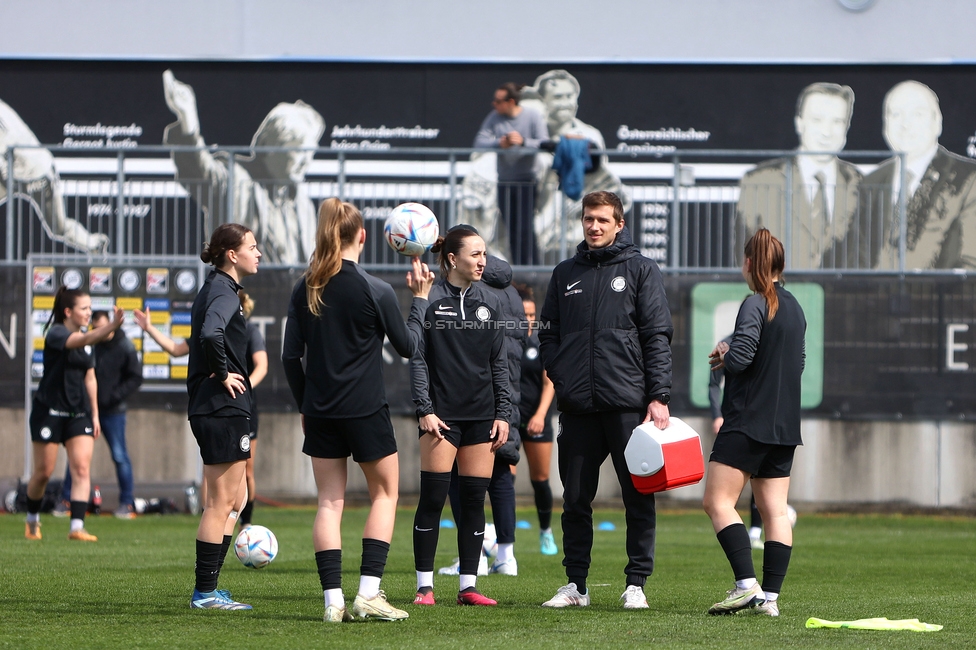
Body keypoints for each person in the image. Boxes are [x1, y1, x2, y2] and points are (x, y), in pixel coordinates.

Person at [282, 198, 434, 622]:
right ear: (364, 236)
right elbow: (409, 347)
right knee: (385, 494)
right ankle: (368, 594)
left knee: (329, 504)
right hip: (365, 410)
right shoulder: (376, 288)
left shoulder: (305, 286)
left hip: (321, 412)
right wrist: (419, 299)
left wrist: (305, 405)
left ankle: (333, 601)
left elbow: (289, 358)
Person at [538, 190, 673, 610]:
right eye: (588, 219)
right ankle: (576, 586)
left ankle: (636, 584)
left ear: (619, 224)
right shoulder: (564, 273)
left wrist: (659, 395)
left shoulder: (641, 270)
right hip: (578, 407)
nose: (593, 226)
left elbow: (657, 336)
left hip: (628, 405)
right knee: (575, 498)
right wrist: (562, 377)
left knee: (637, 494)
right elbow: (548, 334)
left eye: (602, 219)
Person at [703, 228, 806, 618]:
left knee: (717, 501)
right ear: (780, 263)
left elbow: (743, 357)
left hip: (748, 420)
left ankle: (747, 587)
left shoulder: (756, 302)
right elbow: (796, 365)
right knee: (775, 511)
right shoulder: (795, 307)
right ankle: (772, 600)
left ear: (749, 263)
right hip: (784, 427)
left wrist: (726, 354)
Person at [410, 226, 512, 607]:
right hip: (442, 418)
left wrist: (503, 414)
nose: (483, 261)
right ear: (453, 259)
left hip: (482, 419)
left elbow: (499, 364)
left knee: (473, 501)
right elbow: (416, 359)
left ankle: (468, 586)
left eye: (484, 254)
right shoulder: (429, 300)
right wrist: (426, 409)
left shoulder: (492, 303)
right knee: (433, 499)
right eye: (475, 254)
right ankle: (424, 587)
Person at [162, 69, 325, 265]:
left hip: (291, 293)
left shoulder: (302, 202)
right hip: (245, 290)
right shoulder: (236, 177)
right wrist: (188, 120)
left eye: (310, 153)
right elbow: (200, 170)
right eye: (299, 152)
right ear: (271, 147)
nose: (306, 161)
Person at [187, 223, 261, 610]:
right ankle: (204, 594)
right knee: (220, 502)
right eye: (252, 246)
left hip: (222, 408)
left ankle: (211, 587)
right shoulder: (222, 290)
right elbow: (210, 334)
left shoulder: (221, 288)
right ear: (232, 255)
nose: (259, 252)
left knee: (239, 497)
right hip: (220, 407)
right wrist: (221, 371)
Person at [439, 247, 526, 577]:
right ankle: (506, 555)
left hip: (473, 392)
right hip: (506, 389)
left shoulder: (472, 290)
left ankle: (470, 558)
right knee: (501, 472)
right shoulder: (511, 292)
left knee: (459, 478)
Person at [25, 288, 124, 542]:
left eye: (90, 308)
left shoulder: (88, 342)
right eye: (84, 308)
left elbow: (90, 378)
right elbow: (79, 341)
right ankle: (32, 519)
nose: (89, 313)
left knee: (81, 467)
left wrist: (94, 414)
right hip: (49, 411)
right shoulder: (57, 332)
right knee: (43, 473)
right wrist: (110, 326)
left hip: (79, 413)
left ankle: (76, 527)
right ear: (68, 312)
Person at [736, 82, 862, 270]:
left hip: (840, 297)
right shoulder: (759, 181)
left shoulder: (859, 182)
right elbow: (742, 257)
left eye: (837, 121)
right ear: (799, 123)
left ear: (847, 126)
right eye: (817, 120)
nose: (826, 132)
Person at [855, 80, 976, 270]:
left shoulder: (969, 178)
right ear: (885, 125)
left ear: (938, 123)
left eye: (917, 114)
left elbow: (971, 264)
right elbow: (858, 259)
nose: (905, 124)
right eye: (896, 115)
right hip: (875, 298)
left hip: (944, 297)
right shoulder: (870, 182)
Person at [529, 70, 632, 257]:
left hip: (574, 224)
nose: (565, 103)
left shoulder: (590, 136)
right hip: (539, 225)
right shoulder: (532, 131)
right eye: (558, 97)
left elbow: (602, 182)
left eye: (570, 96)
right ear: (543, 101)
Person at [56, 309, 143, 519]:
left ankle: (126, 503)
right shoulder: (88, 344)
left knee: (120, 456)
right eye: (97, 328)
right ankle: (66, 500)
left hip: (113, 412)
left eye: (105, 327)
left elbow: (135, 377)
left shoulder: (125, 346)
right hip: (86, 411)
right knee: (77, 457)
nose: (101, 332)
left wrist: (113, 397)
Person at [1, 97, 110, 253]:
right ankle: (92, 243)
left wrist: (4, 166)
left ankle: (94, 245)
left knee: (58, 228)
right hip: (40, 169)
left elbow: (6, 142)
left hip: (28, 172)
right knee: (60, 227)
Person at [473, 82, 548, 266]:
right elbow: (479, 142)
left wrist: (522, 142)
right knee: (511, 230)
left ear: (511, 101)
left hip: (526, 181)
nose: (494, 104)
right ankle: (519, 271)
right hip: (505, 182)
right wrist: (500, 143)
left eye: (498, 101)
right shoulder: (495, 117)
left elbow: (545, 143)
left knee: (525, 229)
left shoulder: (532, 116)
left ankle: (534, 269)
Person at [514, 282, 559, 556]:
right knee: (503, 481)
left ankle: (545, 532)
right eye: (523, 315)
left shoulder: (541, 342)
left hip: (536, 419)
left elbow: (549, 382)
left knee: (540, 479)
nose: (528, 320)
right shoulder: (504, 339)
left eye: (532, 315)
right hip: (508, 420)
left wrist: (540, 415)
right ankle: (502, 539)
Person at [237, 293, 267, 532]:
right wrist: (150, 328)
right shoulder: (213, 330)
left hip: (245, 408)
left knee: (246, 468)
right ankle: (217, 519)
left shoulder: (249, 331)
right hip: (219, 409)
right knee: (215, 470)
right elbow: (177, 349)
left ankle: (246, 522)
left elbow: (262, 366)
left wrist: (243, 389)